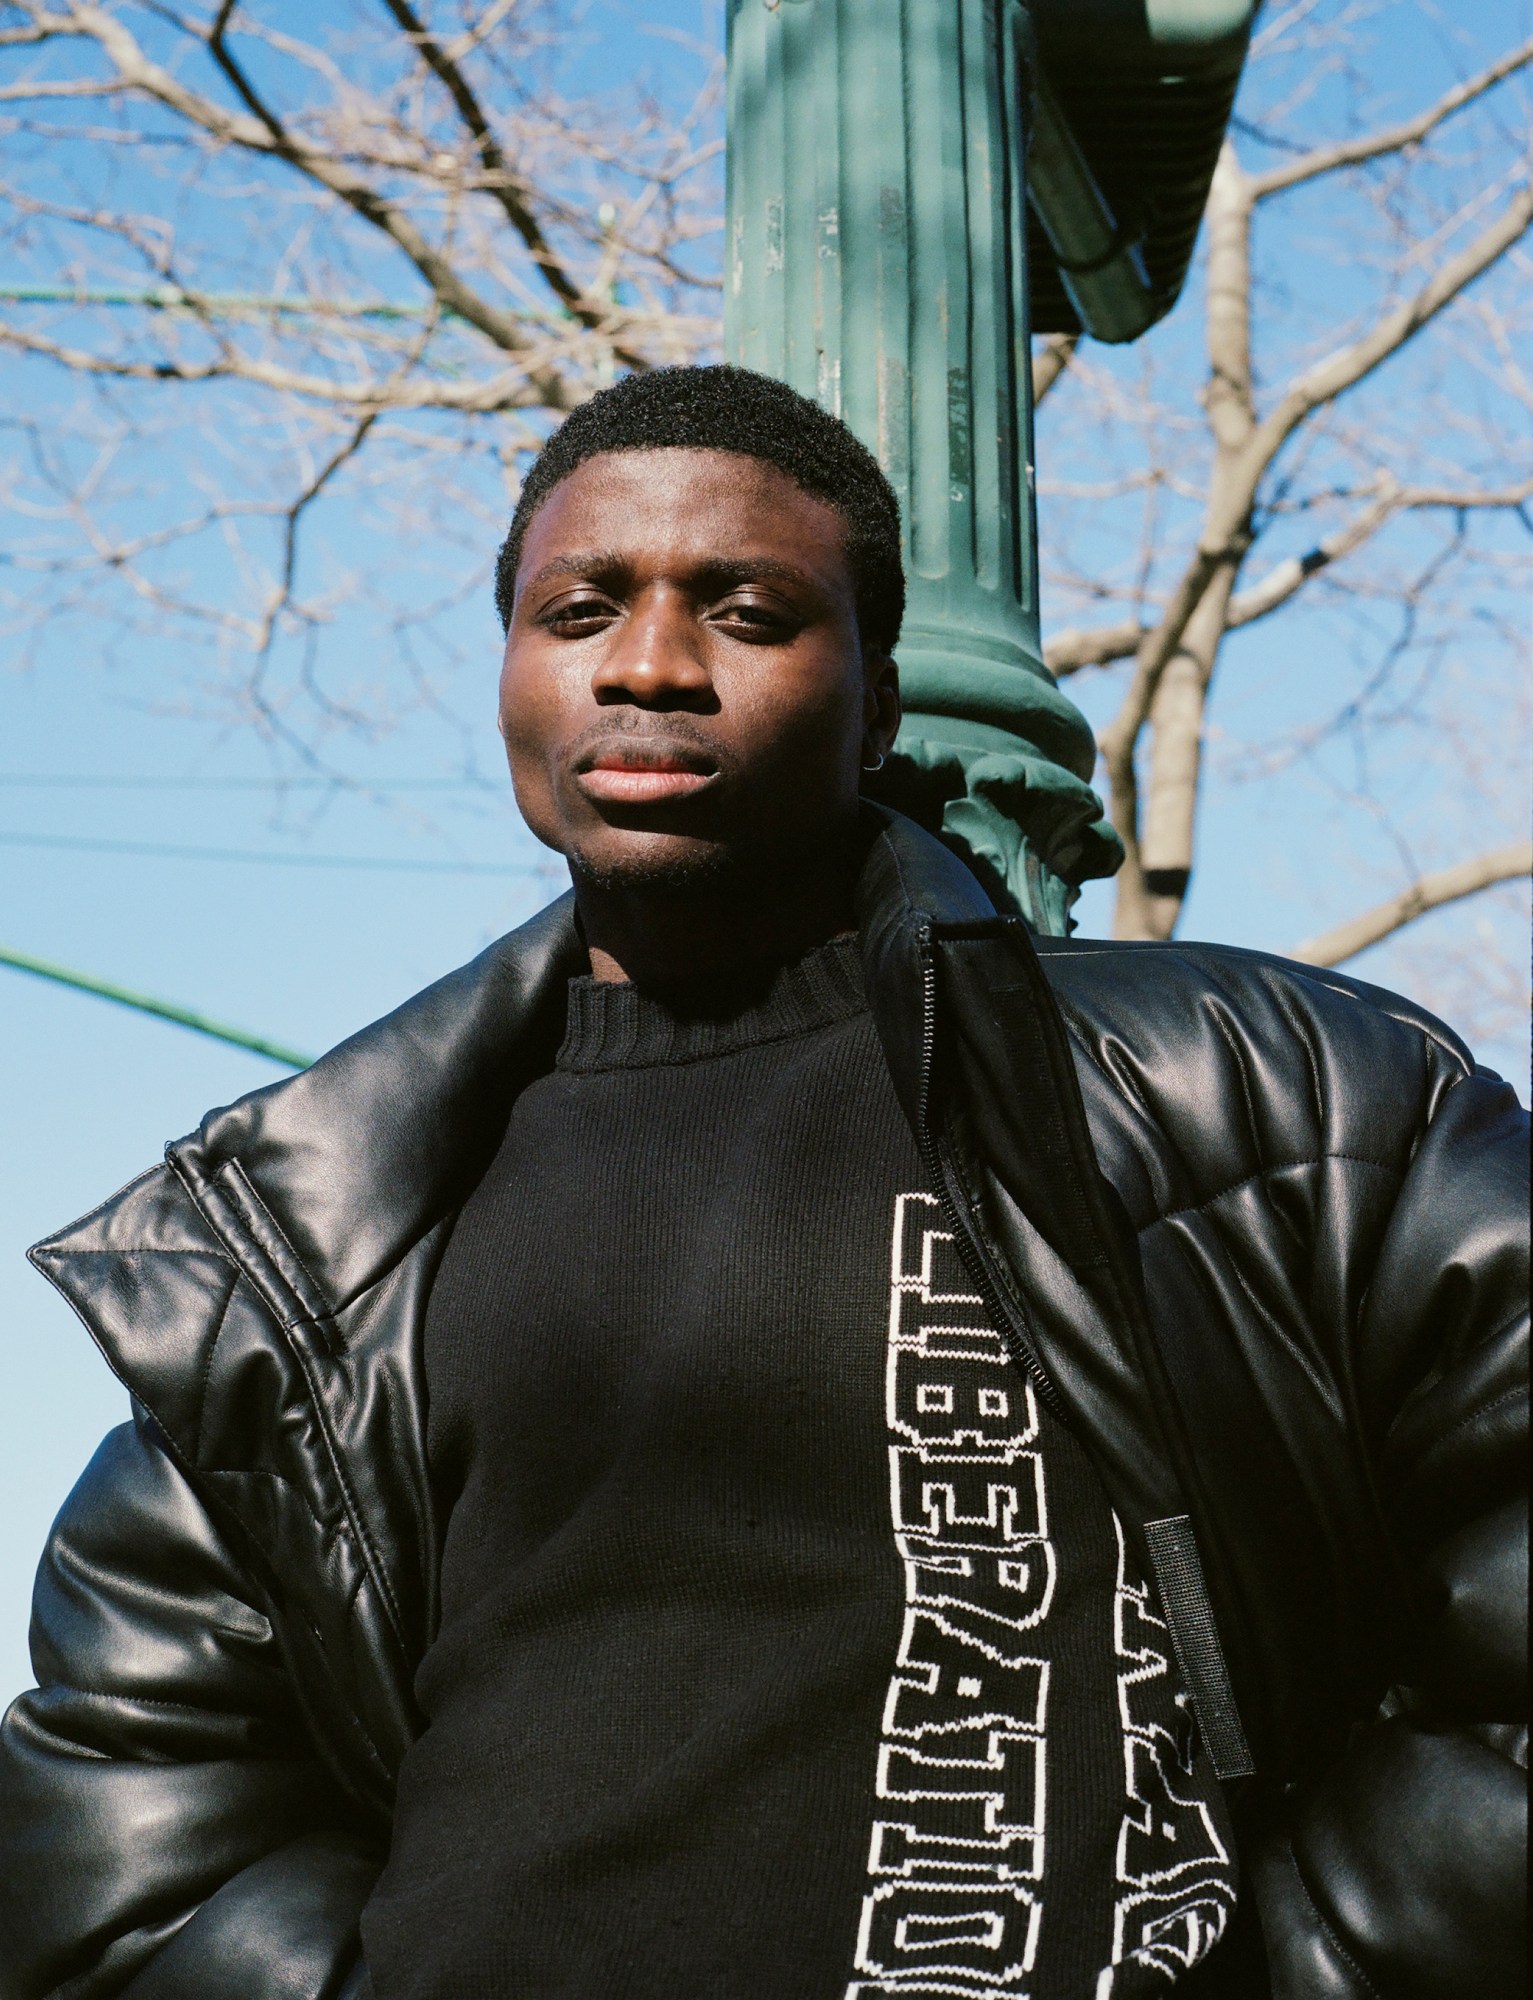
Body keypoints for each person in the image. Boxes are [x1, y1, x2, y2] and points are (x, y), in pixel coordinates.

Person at [0, 365, 1523, 2000]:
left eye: (745, 609)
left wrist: (1311, 1968)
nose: (649, 664)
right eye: (576, 610)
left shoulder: (1275, 1094)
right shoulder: (319, 1229)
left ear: (875, 702)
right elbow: (130, 1803)